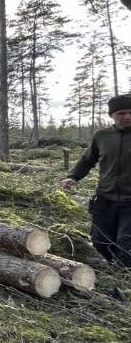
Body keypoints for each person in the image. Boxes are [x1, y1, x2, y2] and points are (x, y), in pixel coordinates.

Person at [60, 94, 131, 267]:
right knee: (100, 243)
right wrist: (73, 176)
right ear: (112, 115)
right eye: (121, 113)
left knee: (126, 245)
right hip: (105, 199)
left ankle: (120, 284)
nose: (127, 117)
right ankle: (103, 277)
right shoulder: (102, 136)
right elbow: (87, 160)